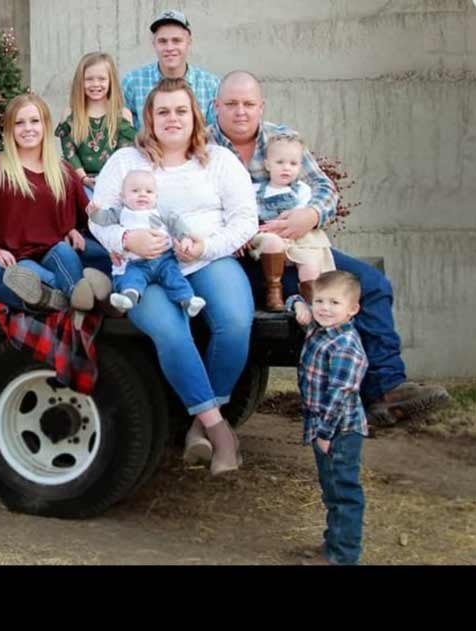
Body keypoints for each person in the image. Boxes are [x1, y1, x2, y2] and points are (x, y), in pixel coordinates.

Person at [209, 70, 450, 424]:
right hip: (243, 259)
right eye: (231, 104)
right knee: (318, 298)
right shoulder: (203, 146)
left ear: (261, 107)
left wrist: (308, 214)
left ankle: (386, 390)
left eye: (248, 104)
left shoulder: (281, 139)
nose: (240, 112)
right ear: (216, 107)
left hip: (299, 247)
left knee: (370, 285)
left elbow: (323, 188)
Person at [90, 78, 258, 475]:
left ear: (194, 115)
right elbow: (98, 217)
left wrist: (206, 246)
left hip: (205, 258)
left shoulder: (217, 160)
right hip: (140, 267)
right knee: (171, 331)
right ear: (149, 117)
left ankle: (199, 423)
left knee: (235, 322)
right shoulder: (126, 161)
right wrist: (128, 238)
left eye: (181, 110)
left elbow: (245, 220)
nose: (172, 118)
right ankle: (220, 435)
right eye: (163, 111)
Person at [0, 93, 112, 313]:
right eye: (19, 123)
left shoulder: (63, 171)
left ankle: (79, 298)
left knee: (71, 256)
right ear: (9, 129)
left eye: (34, 121)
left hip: (56, 249)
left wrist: (77, 229)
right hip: (18, 258)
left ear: (45, 125)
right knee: (29, 281)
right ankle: (88, 302)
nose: (27, 128)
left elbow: (87, 218)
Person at [287, 271, 368, 566]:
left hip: (339, 431)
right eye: (319, 301)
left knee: (344, 492)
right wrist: (299, 305)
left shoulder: (345, 346)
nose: (324, 308)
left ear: (352, 309)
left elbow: (339, 395)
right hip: (325, 428)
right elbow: (294, 298)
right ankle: (333, 543)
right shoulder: (319, 328)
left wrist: (324, 434)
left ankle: (342, 556)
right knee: (331, 488)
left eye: (335, 302)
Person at [90, 169, 205, 316]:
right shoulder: (121, 213)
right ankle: (129, 297)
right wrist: (95, 213)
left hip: (164, 259)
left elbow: (177, 224)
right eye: (135, 191)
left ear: (156, 197)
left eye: (149, 191)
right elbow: (103, 220)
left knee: (174, 277)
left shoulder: (160, 212)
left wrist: (186, 238)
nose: (142, 194)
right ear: (123, 197)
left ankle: (188, 301)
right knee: (131, 277)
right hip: (135, 262)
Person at [247, 133, 336, 310]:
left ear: (300, 167)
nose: (286, 168)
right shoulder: (254, 190)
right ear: (267, 164)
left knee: (310, 261)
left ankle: (310, 300)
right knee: (271, 242)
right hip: (268, 234)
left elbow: (303, 215)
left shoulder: (302, 191)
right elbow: (247, 214)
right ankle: (274, 292)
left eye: (293, 164)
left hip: (298, 237)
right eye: (280, 162)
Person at [121, 9, 220, 129]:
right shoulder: (132, 83)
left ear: (189, 42)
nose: (169, 47)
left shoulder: (211, 85)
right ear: (154, 44)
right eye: (162, 41)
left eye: (176, 41)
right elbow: (125, 131)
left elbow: (213, 134)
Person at [55, 52, 135, 195]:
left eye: (102, 79)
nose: (95, 84)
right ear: (80, 81)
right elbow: (70, 153)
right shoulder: (70, 114)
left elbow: (123, 154)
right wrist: (84, 178)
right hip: (79, 180)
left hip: (113, 181)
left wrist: (106, 180)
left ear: (111, 81)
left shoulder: (122, 115)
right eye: (89, 79)